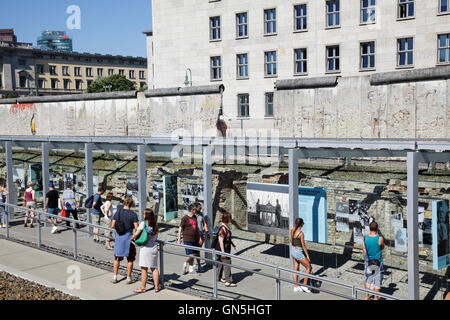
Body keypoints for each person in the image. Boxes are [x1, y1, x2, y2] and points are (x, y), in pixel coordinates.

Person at [130, 209, 160, 293]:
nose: (143, 215)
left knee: (144, 269)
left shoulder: (143, 224)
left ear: (146, 215)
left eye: (144, 214)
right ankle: (156, 287)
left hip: (146, 249)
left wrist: (131, 239)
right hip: (154, 247)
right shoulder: (155, 224)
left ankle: (143, 287)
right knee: (154, 268)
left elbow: (136, 233)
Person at [110, 197, 139, 284]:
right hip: (129, 238)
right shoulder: (133, 214)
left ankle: (115, 277)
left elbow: (112, 225)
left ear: (124, 203)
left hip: (119, 237)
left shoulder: (118, 212)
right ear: (131, 204)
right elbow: (136, 228)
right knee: (130, 259)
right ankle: (128, 278)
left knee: (117, 258)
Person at [362, 221, 385, 300]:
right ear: (377, 228)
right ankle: (375, 298)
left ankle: (367, 296)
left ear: (369, 228)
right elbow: (382, 247)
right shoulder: (380, 238)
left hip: (369, 261)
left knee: (368, 278)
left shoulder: (365, 237)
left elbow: (364, 250)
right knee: (377, 280)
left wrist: (365, 260)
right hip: (378, 261)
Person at [290, 218, 312, 293]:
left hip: (293, 250)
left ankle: (296, 286)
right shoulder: (301, 234)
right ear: (301, 224)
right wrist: (307, 256)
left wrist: (295, 245)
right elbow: (303, 246)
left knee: (295, 268)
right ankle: (304, 285)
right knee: (309, 267)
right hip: (298, 252)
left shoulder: (292, 230)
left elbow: (291, 240)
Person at [178, 203, 201, 274]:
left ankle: (190, 268)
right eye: (194, 210)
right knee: (190, 254)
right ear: (191, 210)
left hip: (195, 238)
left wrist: (199, 237)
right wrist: (179, 238)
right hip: (187, 238)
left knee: (195, 253)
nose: (196, 211)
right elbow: (180, 228)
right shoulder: (185, 218)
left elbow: (196, 228)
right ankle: (185, 263)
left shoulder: (194, 217)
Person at [216, 212, 238, 287]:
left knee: (221, 263)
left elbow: (228, 238)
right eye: (230, 218)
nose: (231, 219)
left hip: (226, 248)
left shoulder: (226, 226)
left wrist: (233, 244)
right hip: (224, 249)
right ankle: (228, 281)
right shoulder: (223, 228)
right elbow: (221, 240)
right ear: (227, 219)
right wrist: (223, 252)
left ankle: (218, 277)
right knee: (227, 263)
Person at [194, 202, 209, 272]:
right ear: (195, 208)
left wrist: (207, 232)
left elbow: (204, 223)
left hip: (200, 235)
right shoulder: (192, 215)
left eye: (200, 208)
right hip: (193, 235)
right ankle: (198, 265)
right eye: (199, 208)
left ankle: (196, 262)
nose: (200, 209)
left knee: (197, 250)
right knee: (196, 251)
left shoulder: (201, 214)